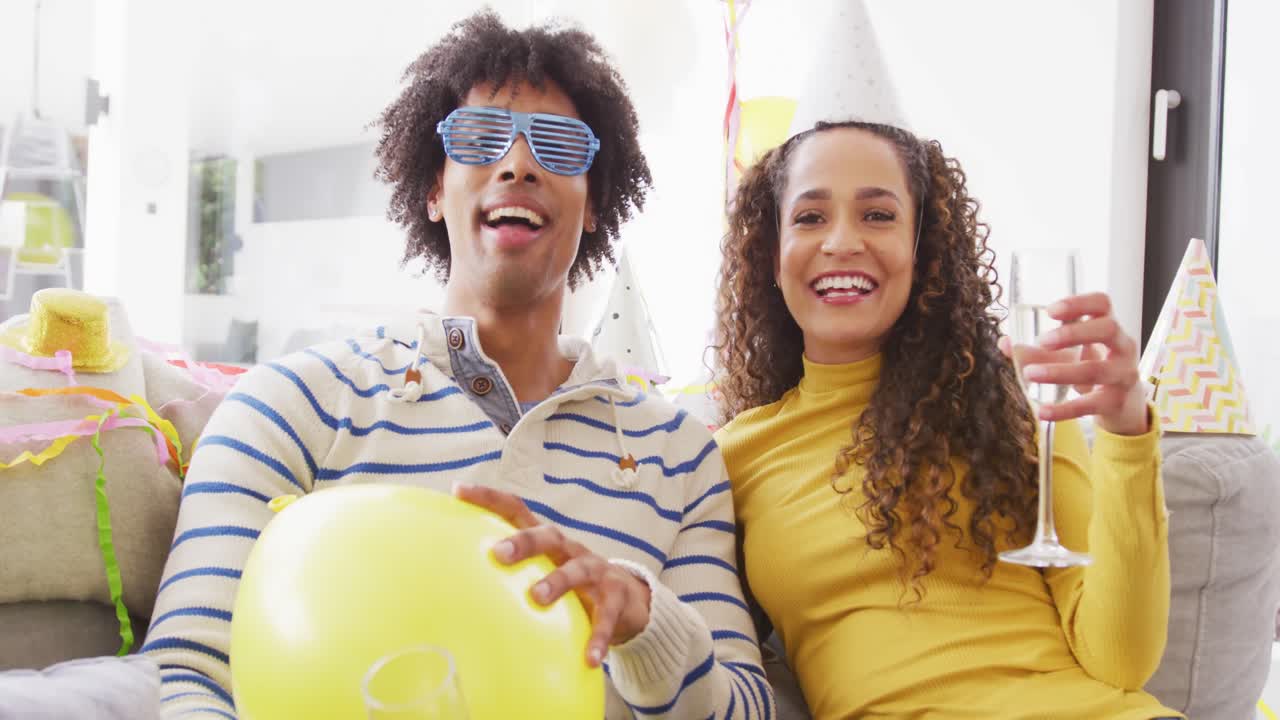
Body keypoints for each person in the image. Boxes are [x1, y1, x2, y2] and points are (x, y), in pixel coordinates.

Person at [145, 11, 774, 719]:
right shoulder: (290, 405)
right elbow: (185, 674)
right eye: (478, 139)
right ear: (433, 189)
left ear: (595, 202)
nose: (518, 164)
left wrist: (644, 621)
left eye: (560, 146)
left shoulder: (679, 457)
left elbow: (748, 710)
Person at [713, 119, 1182, 719]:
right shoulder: (733, 457)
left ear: (921, 250)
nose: (841, 242)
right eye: (809, 217)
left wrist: (1125, 431)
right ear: (773, 258)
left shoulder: (1017, 397)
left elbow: (1121, 658)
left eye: (878, 215)